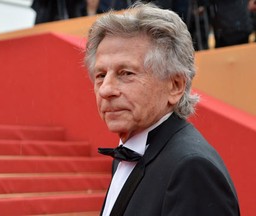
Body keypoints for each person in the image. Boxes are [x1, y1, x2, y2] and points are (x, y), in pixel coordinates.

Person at [85, 2, 240, 216]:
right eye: (101, 75)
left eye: (126, 73)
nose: (106, 90)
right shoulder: (135, 151)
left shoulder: (191, 169)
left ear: (175, 86)